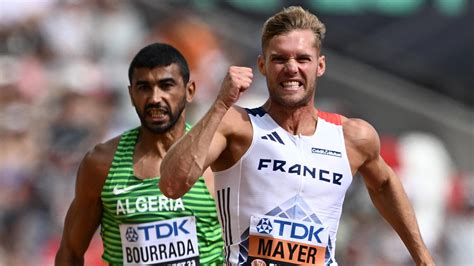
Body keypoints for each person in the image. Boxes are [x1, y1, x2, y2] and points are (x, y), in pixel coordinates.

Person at [159, 6, 435, 266]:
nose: (291, 68)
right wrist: (220, 105)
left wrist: (423, 258)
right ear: (262, 65)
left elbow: (384, 184)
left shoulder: (352, 136)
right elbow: (172, 184)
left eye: (303, 59)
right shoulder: (237, 124)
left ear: (320, 66)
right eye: (279, 58)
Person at [55, 43, 224, 265]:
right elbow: (70, 251)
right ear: (131, 94)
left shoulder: (217, 160)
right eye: (144, 87)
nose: (155, 98)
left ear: (189, 91)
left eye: (166, 86)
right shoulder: (101, 163)